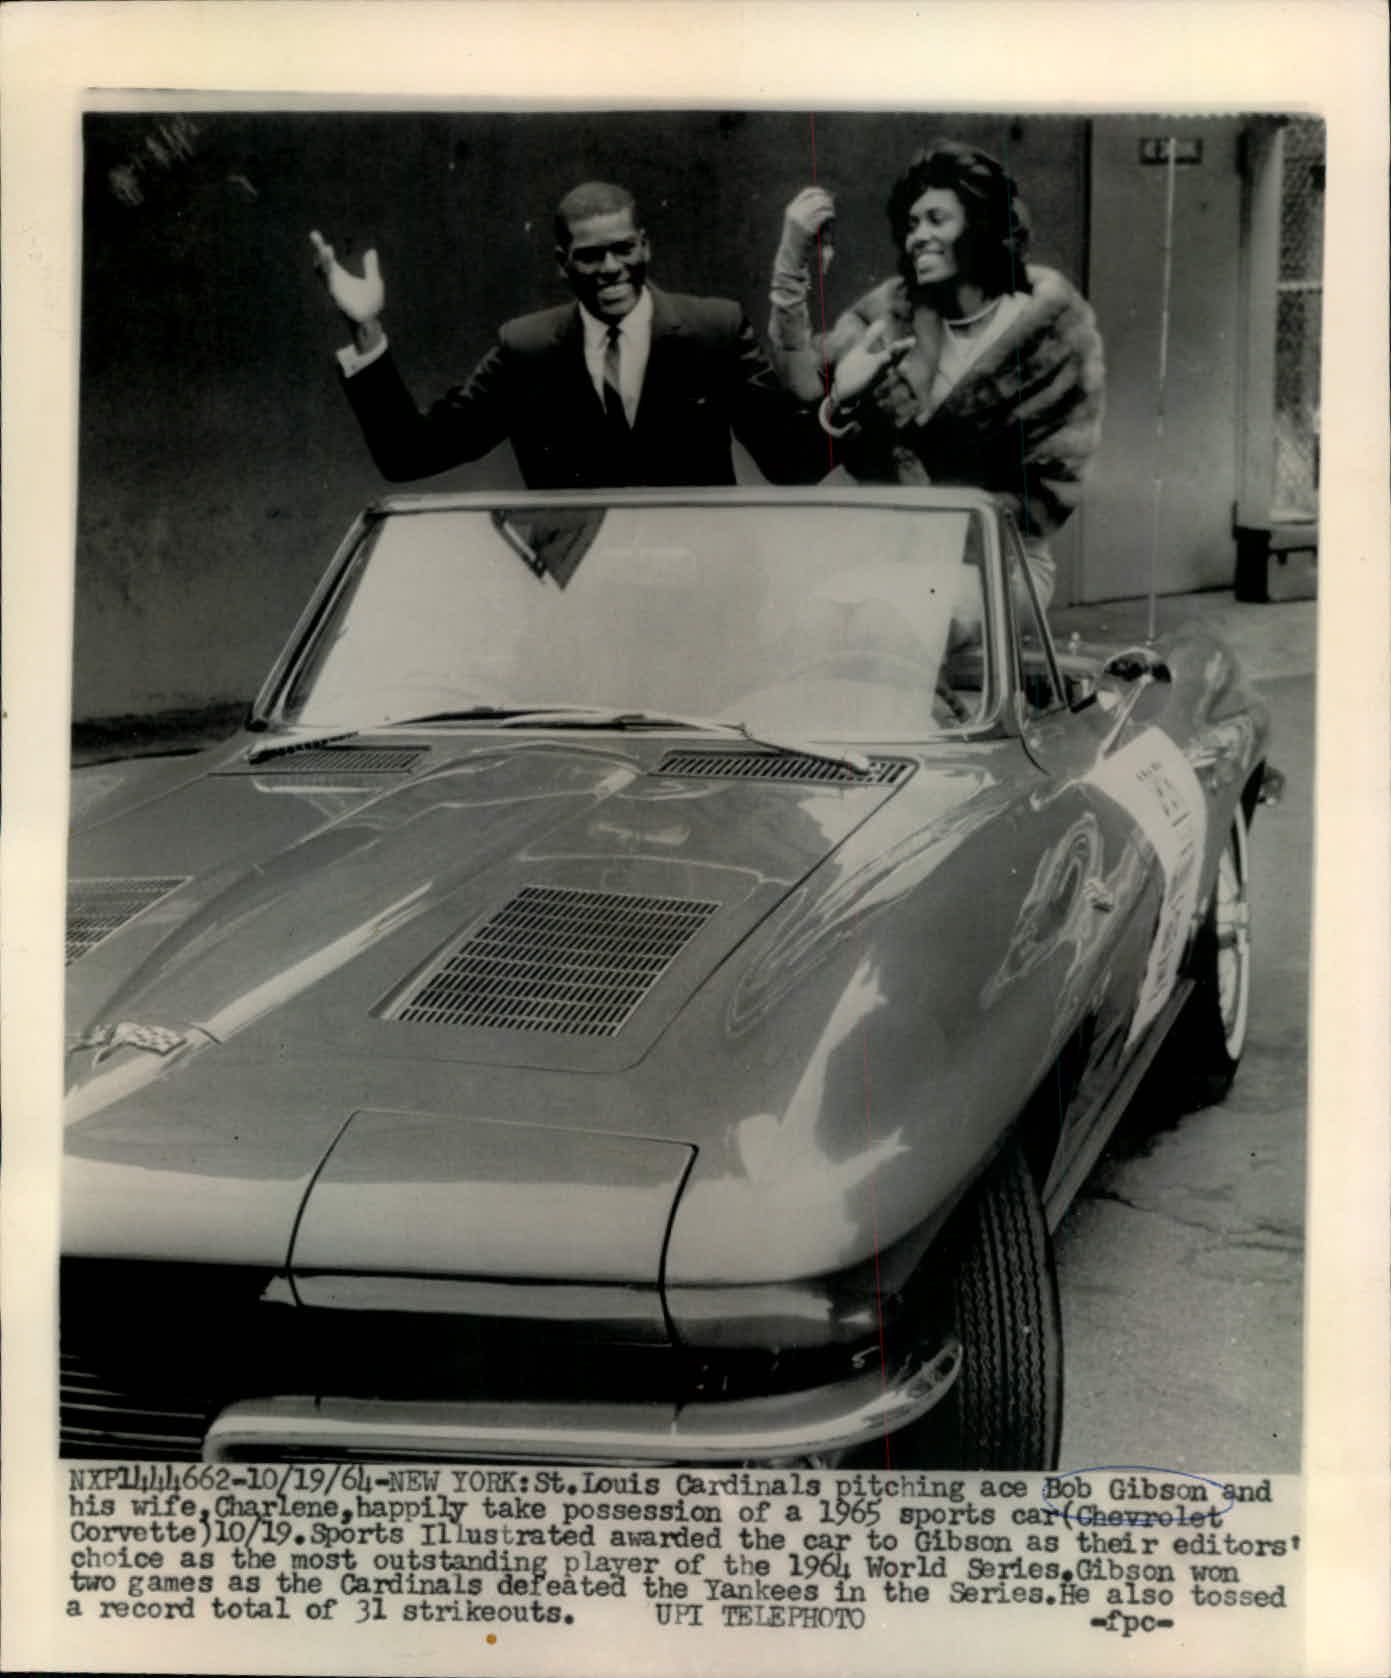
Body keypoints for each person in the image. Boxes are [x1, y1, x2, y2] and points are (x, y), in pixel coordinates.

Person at [311, 180, 822, 490]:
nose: (611, 268)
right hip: (576, 623)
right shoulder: (526, 350)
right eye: (590, 256)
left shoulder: (717, 330)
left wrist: (844, 402)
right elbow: (411, 455)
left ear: (645, 246)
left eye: (623, 249)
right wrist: (365, 327)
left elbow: (791, 465)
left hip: (708, 608)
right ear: (563, 263)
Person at [768, 141, 1105, 607]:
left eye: (936, 220)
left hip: (1002, 563)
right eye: (911, 225)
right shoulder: (894, 312)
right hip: (890, 552)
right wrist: (790, 268)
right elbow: (803, 381)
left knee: (883, 611)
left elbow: (1046, 495)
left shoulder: (1052, 333)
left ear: (983, 226)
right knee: (793, 604)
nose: (917, 237)